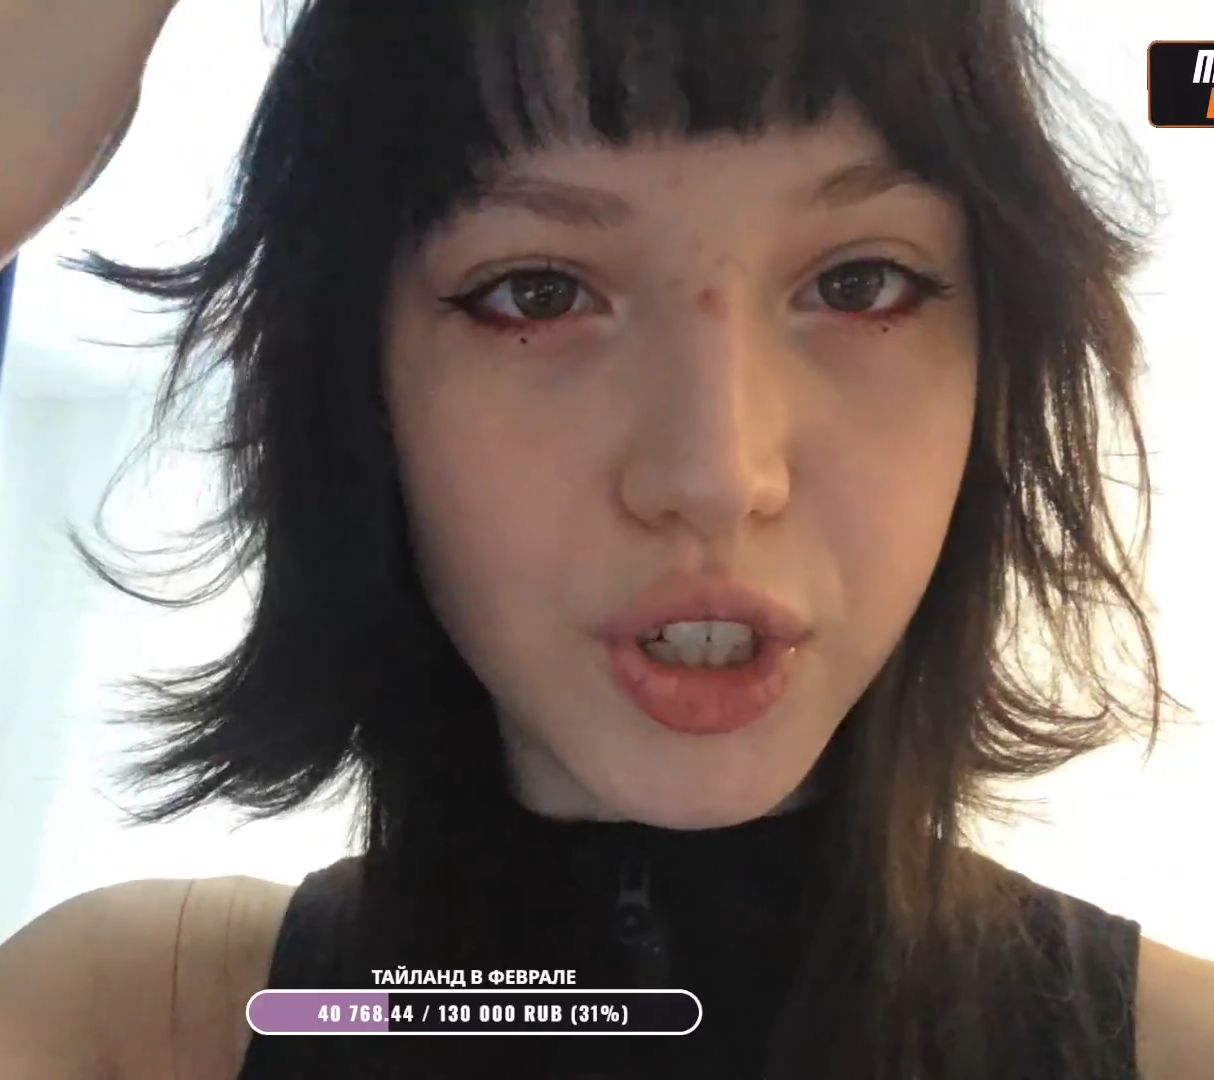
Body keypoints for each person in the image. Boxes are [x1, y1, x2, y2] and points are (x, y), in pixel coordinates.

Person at [1, 0, 1212, 1077]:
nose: (715, 475)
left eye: (856, 284)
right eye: (537, 291)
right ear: (352, 390)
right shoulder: (139, 1029)